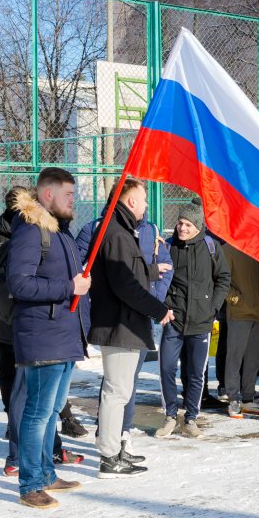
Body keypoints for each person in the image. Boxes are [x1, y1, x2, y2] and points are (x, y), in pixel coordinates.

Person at [8, 168, 94, 509]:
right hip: (42, 337)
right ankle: (30, 483)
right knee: (38, 413)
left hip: (63, 335)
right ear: (48, 195)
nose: (74, 200)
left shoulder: (59, 232)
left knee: (52, 410)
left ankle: (46, 474)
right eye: (68, 195)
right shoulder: (32, 231)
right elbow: (20, 284)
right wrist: (68, 287)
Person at [87, 178, 174, 477]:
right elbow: (125, 284)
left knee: (121, 391)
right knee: (116, 391)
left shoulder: (122, 231)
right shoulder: (117, 233)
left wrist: (149, 271)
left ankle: (115, 447)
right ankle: (109, 456)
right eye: (144, 199)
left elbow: (128, 273)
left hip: (125, 323)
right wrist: (158, 309)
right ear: (131, 201)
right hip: (119, 324)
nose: (147, 205)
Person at [157, 201, 231, 438]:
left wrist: (213, 307)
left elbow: (223, 278)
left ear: (198, 226)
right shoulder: (168, 247)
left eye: (188, 224)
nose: (182, 228)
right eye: (180, 223)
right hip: (174, 319)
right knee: (166, 367)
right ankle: (170, 416)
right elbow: (160, 280)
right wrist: (166, 305)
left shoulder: (211, 248)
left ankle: (190, 418)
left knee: (197, 372)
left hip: (201, 321)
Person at [224, 244, 259, 418]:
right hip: (239, 312)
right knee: (235, 357)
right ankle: (233, 397)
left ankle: (248, 395)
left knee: (255, 356)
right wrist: (236, 299)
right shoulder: (228, 249)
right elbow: (220, 279)